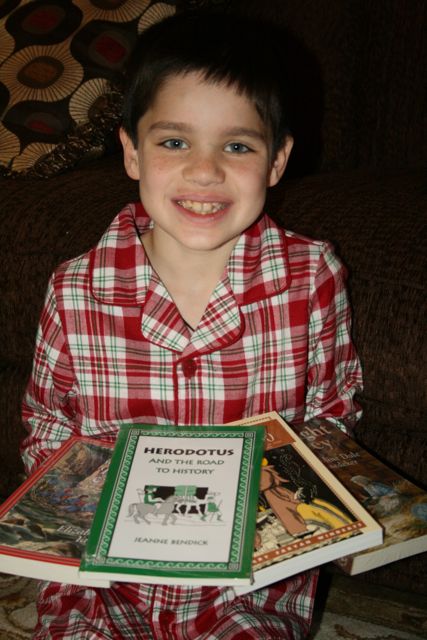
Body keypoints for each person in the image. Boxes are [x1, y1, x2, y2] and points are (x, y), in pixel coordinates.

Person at [21, 9, 362, 639]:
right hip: (104, 582)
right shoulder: (75, 287)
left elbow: (331, 413)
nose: (205, 171)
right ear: (131, 152)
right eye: (174, 142)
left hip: (249, 585)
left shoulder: (311, 276)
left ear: (278, 160)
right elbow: (48, 425)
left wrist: (313, 506)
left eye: (238, 146)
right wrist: (73, 517)